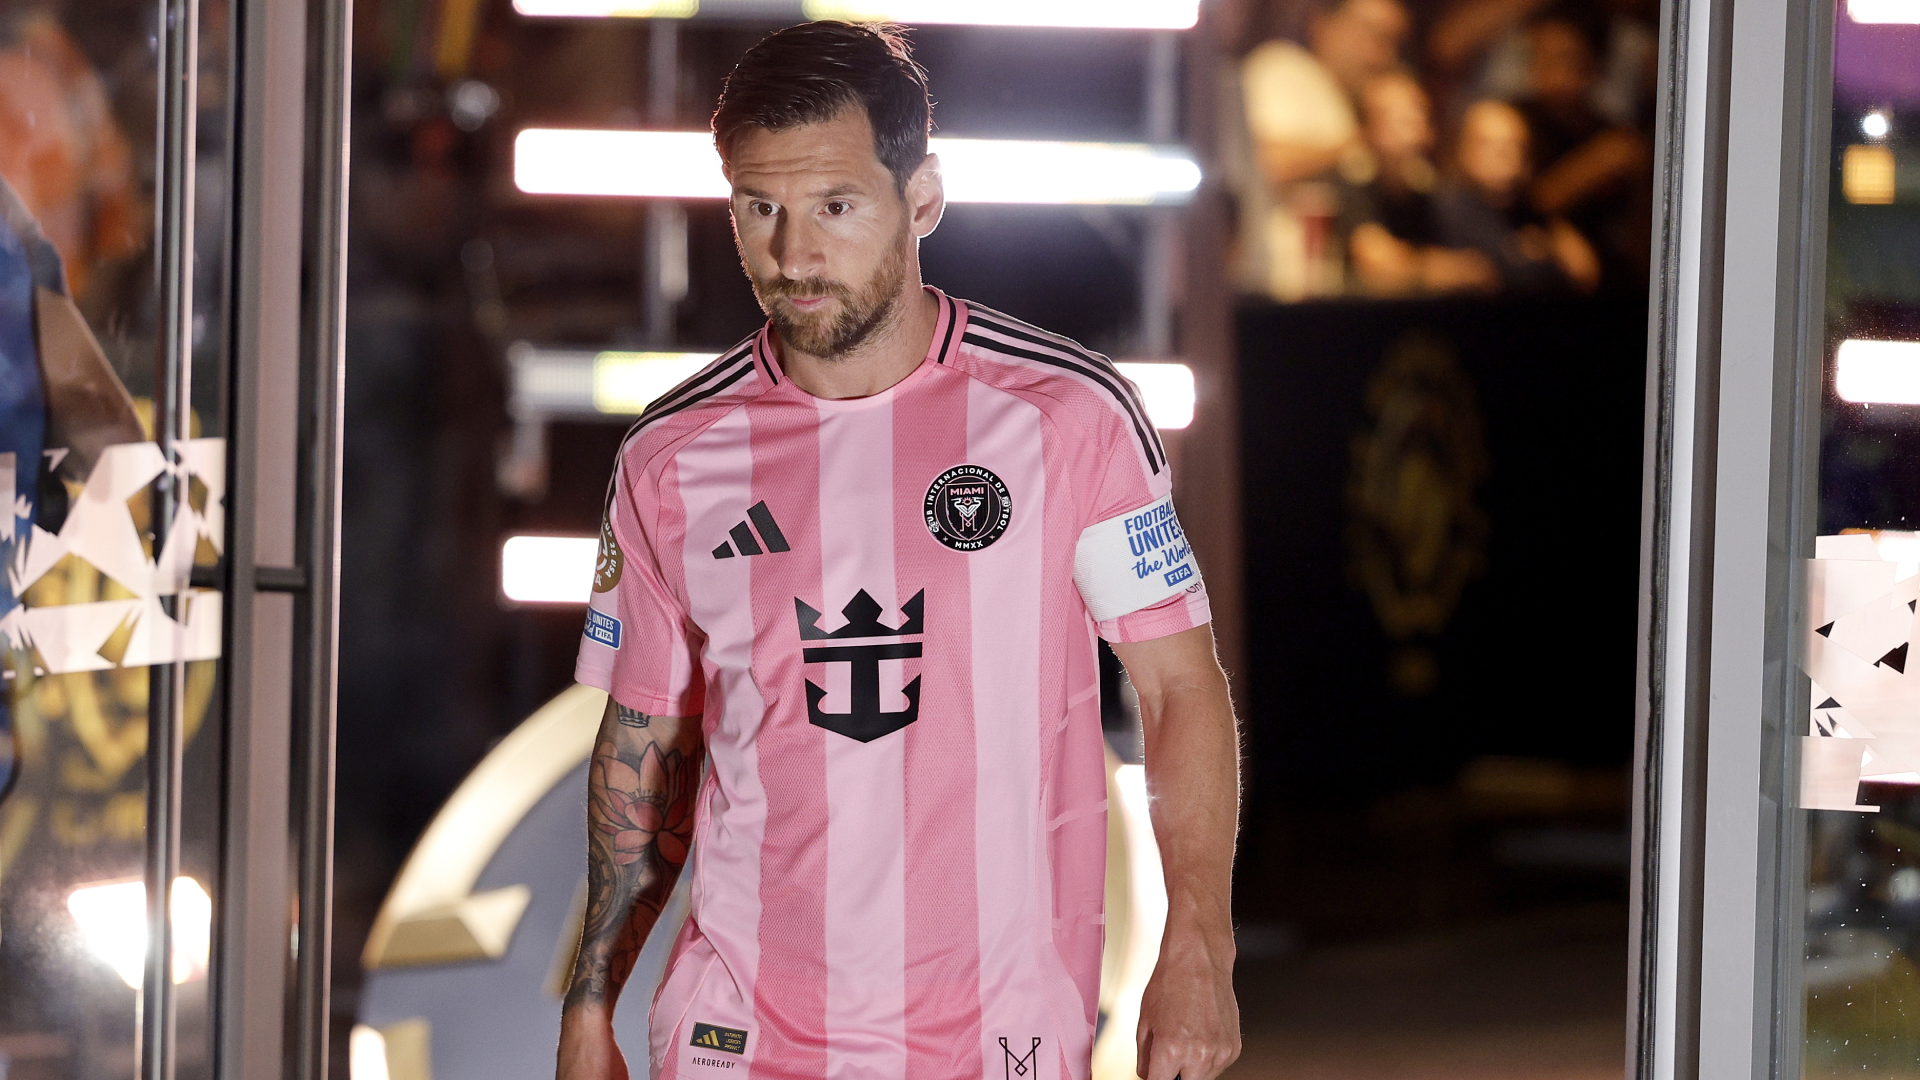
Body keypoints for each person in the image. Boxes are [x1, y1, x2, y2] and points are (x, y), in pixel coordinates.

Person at [554, 22, 1241, 1080]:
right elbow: (647, 738)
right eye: (760, 209)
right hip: (735, 1034)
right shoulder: (670, 454)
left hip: (993, 1032)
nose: (794, 255)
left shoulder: (1070, 417)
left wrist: (1197, 946)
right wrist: (591, 1001)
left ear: (922, 198)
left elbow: (1180, 688)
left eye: (835, 207)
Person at [1235, 0, 1411, 299]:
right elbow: (1264, 162)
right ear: (1323, 25)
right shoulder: (1285, 68)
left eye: (1391, 40)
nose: (1378, 53)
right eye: (1370, 32)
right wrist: (1360, 142)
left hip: (1326, 291)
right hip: (1273, 290)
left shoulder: (1347, 102)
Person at [1339, 71, 1499, 296]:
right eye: (1397, 115)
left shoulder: (1432, 190)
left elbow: (1478, 264)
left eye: (1418, 111)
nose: (1414, 121)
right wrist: (1436, 268)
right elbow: (1375, 260)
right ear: (1365, 128)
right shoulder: (1350, 182)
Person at [1434, 99, 1600, 293]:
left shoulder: (1527, 206)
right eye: (1488, 144)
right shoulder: (1451, 206)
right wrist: (1544, 254)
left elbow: (1583, 272)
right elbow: (1507, 274)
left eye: (1515, 145)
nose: (1504, 154)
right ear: (1462, 149)